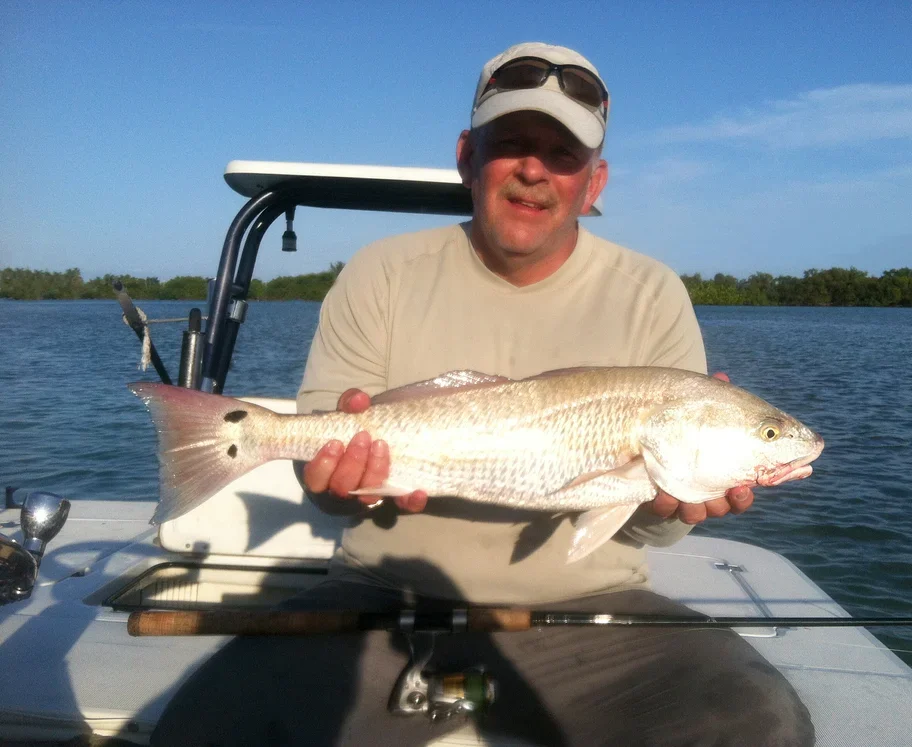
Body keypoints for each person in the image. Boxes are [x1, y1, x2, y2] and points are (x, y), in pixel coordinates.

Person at [287, 41, 814, 745]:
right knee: (213, 725)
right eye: (510, 144)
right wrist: (330, 482)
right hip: (380, 598)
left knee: (762, 725)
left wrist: (675, 503)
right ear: (467, 159)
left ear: (593, 183)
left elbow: (654, 523)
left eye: (562, 154)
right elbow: (317, 476)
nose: (534, 169)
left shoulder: (654, 295)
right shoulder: (379, 273)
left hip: (597, 612)